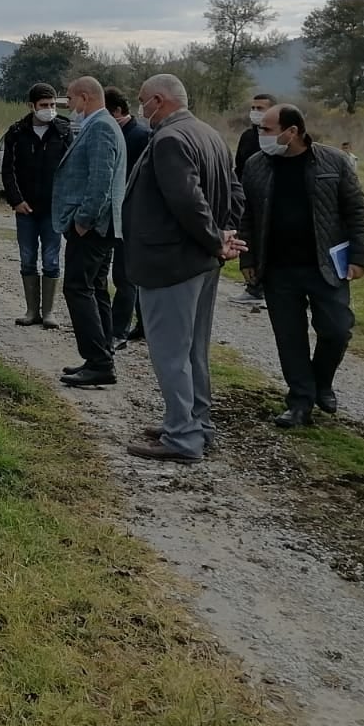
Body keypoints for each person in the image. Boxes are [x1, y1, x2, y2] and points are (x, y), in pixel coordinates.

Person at [123, 74, 246, 463]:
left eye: (142, 101)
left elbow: (188, 202)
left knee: (170, 353)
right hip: (201, 260)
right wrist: (224, 236)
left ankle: (182, 437)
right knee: (194, 349)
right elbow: (234, 191)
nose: (140, 108)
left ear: (158, 100)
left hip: (171, 262)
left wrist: (214, 238)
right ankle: (196, 423)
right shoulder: (208, 134)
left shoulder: (170, 139)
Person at [238, 104, 364, 427]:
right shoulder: (256, 165)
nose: (261, 135)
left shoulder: (334, 162)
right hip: (278, 269)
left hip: (325, 266)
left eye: (267, 130)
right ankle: (300, 402)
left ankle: (320, 381)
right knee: (289, 337)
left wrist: (360, 257)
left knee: (337, 329)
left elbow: (357, 211)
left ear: (292, 131)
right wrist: (248, 258)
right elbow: (247, 215)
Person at [53, 76, 128, 386]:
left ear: (85, 97)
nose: (69, 107)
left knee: (77, 287)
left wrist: (83, 221)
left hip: (93, 227)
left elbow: (100, 180)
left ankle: (98, 361)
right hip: (100, 227)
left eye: (70, 100)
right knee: (96, 289)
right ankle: (101, 355)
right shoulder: (103, 125)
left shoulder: (100, 128)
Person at [1, 81, 73, 329]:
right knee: (27, 258)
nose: (49, 109)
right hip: (26, 209)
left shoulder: (63, 131)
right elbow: (7, 170)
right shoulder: (17, 133)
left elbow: (71, 170)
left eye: (53, 104)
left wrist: (65, 202)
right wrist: (16, 200)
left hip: (53, 209)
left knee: (52, 260)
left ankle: (49, 312)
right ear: (32, 106)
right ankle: (31, 310)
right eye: (44, 105)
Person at [105, 86, 151, 348]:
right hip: (115, 213)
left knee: (124, 276)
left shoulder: (141, 136)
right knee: (127, 275)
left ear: (117, 111)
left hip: (132, 215)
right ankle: (143, 326)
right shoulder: (118, 131)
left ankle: (118, 331)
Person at [230, 91, 275, 306]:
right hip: (247, 197)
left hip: (270, 197)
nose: (255, 112)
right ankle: (254, 287)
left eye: (261, 109)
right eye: (253, 108)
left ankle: (270, 289)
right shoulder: (247, 137)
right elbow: (238, 166)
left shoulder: (275, 136)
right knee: (248, 242)